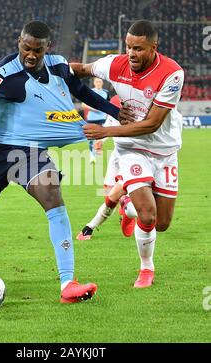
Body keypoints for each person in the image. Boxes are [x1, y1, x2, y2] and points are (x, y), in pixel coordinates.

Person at [0, 20, 121, 304]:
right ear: (19, 43)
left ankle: (68, 284)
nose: (30, 55)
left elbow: (83, 93)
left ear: (46, 48)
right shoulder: (4, 74)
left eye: (37, 50)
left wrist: (114, 111)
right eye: (26, 48)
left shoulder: (59, 66)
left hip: (31, 153)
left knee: (53, 196)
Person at [70, 19, 184, 288]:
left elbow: (152, 123)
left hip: (164, 150)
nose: (132, 54)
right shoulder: (115, 64)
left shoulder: (172, 74)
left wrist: (106, 132)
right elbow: (82, 70)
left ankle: (125, 207)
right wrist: (53, 67)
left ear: (154, 47)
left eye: (139, 49)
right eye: (129, 47)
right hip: (131, 148)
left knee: (162, 223)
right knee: (148, 215)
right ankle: (146, 269)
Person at [77, 95, 137, 241]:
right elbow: (108, 125)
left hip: (134, 158)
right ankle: (126, 208)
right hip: (116, 156)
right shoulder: (115, 101)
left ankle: (89, 227)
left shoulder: (137, 103)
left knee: (114, 197)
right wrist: (101, 141)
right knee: (109, 196)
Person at [83, 77, 109, 164]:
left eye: (100, 81)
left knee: (100, 137)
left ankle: (97, 152)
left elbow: (109, 104)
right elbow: (83, 104)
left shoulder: (106, 93)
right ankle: (92, 156)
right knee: (90, 138)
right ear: (94, 83)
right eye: (97, 81)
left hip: (102, 118)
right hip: (91, 118)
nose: (98, 83)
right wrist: (94, 109)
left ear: (102, 83)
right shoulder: (90, 92)